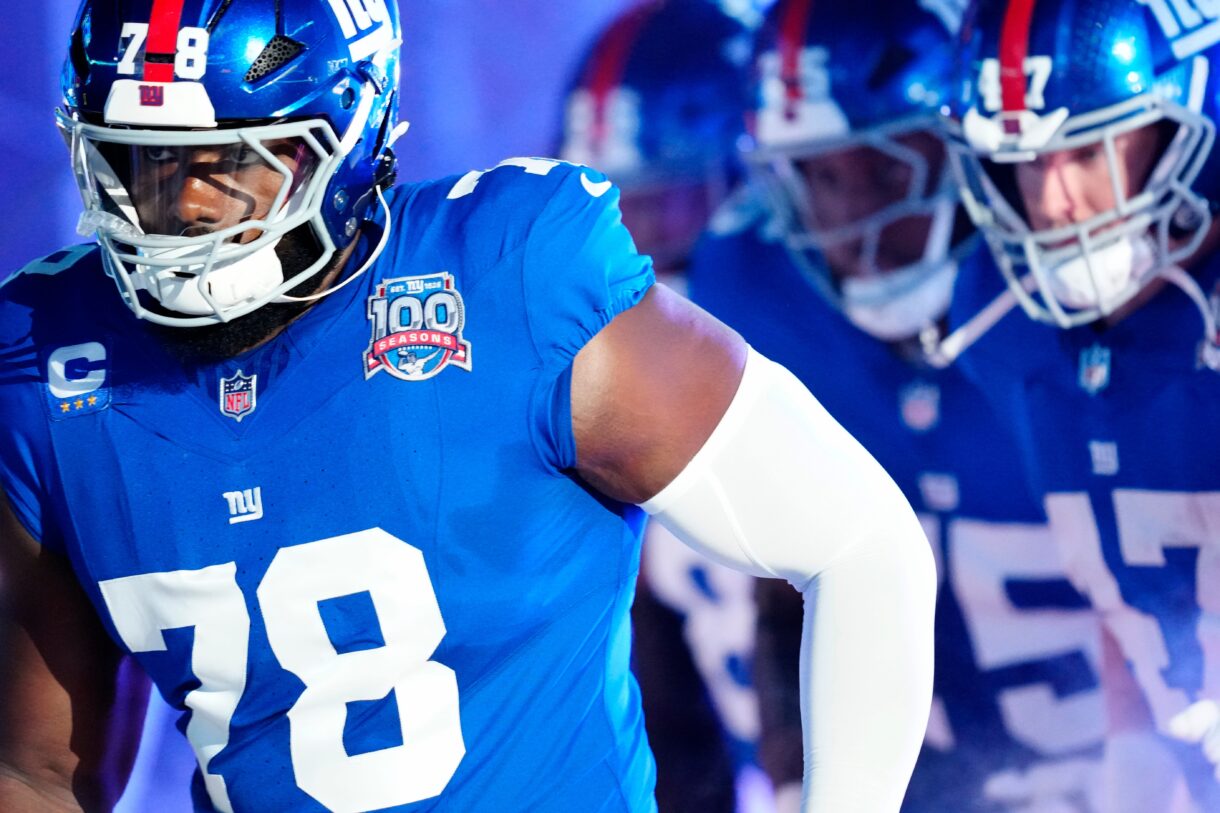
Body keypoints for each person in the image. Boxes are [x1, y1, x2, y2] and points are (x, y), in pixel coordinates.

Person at [0, 1, 935, 812]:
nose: (183, 217)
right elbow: (34, 768)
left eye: (232, 165)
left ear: (346, 134)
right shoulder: (44, 366)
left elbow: (859, 544)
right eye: (143, 166)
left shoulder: (507, 280)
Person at [687, 0, 1108, 810]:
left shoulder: (1073, 296)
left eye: (889, 169)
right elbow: (784, 593)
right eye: (821, 176)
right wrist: (794, 782)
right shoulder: (758, 292)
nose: (854, 221)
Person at [942, 0, 1220, 809]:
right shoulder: (1001, 316)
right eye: (1027, 165)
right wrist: (1135, 754)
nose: (1056, 200)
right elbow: (1131, 577)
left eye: (1090, 149)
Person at [558, 3, 758, 811]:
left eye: (669, 197)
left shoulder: (834, 359)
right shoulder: (595, 406)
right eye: (611, 205)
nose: (635, 237)